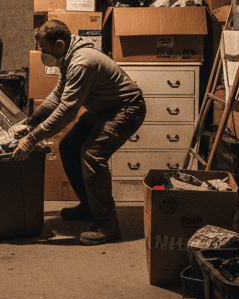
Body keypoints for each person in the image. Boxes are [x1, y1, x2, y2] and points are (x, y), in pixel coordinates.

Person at [12, 18, 146, 245]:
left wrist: (32, 139)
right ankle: (89, 207)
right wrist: (31, 121)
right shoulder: (68, 56)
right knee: (69, 146)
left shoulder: (81, 62)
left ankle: (108, 226)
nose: (43, 54)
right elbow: (58, 95)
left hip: (126, 108)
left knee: (92, 155)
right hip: (103, 108)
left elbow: (67, 110)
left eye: (44, 49)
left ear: (59, 45)